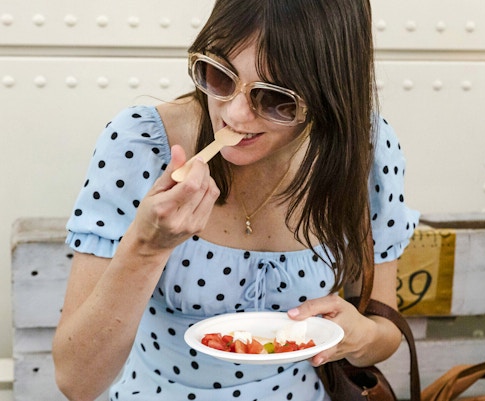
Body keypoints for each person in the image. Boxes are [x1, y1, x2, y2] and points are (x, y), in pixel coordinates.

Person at [52, 0, 420, 400]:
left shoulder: (362, 149)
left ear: (329, 94)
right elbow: (77, 381)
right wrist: (146, 248)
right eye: (220, 76)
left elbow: (383, 333)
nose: (236, 115)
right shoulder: (141, 145)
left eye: (275, 98)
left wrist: (359, 337)